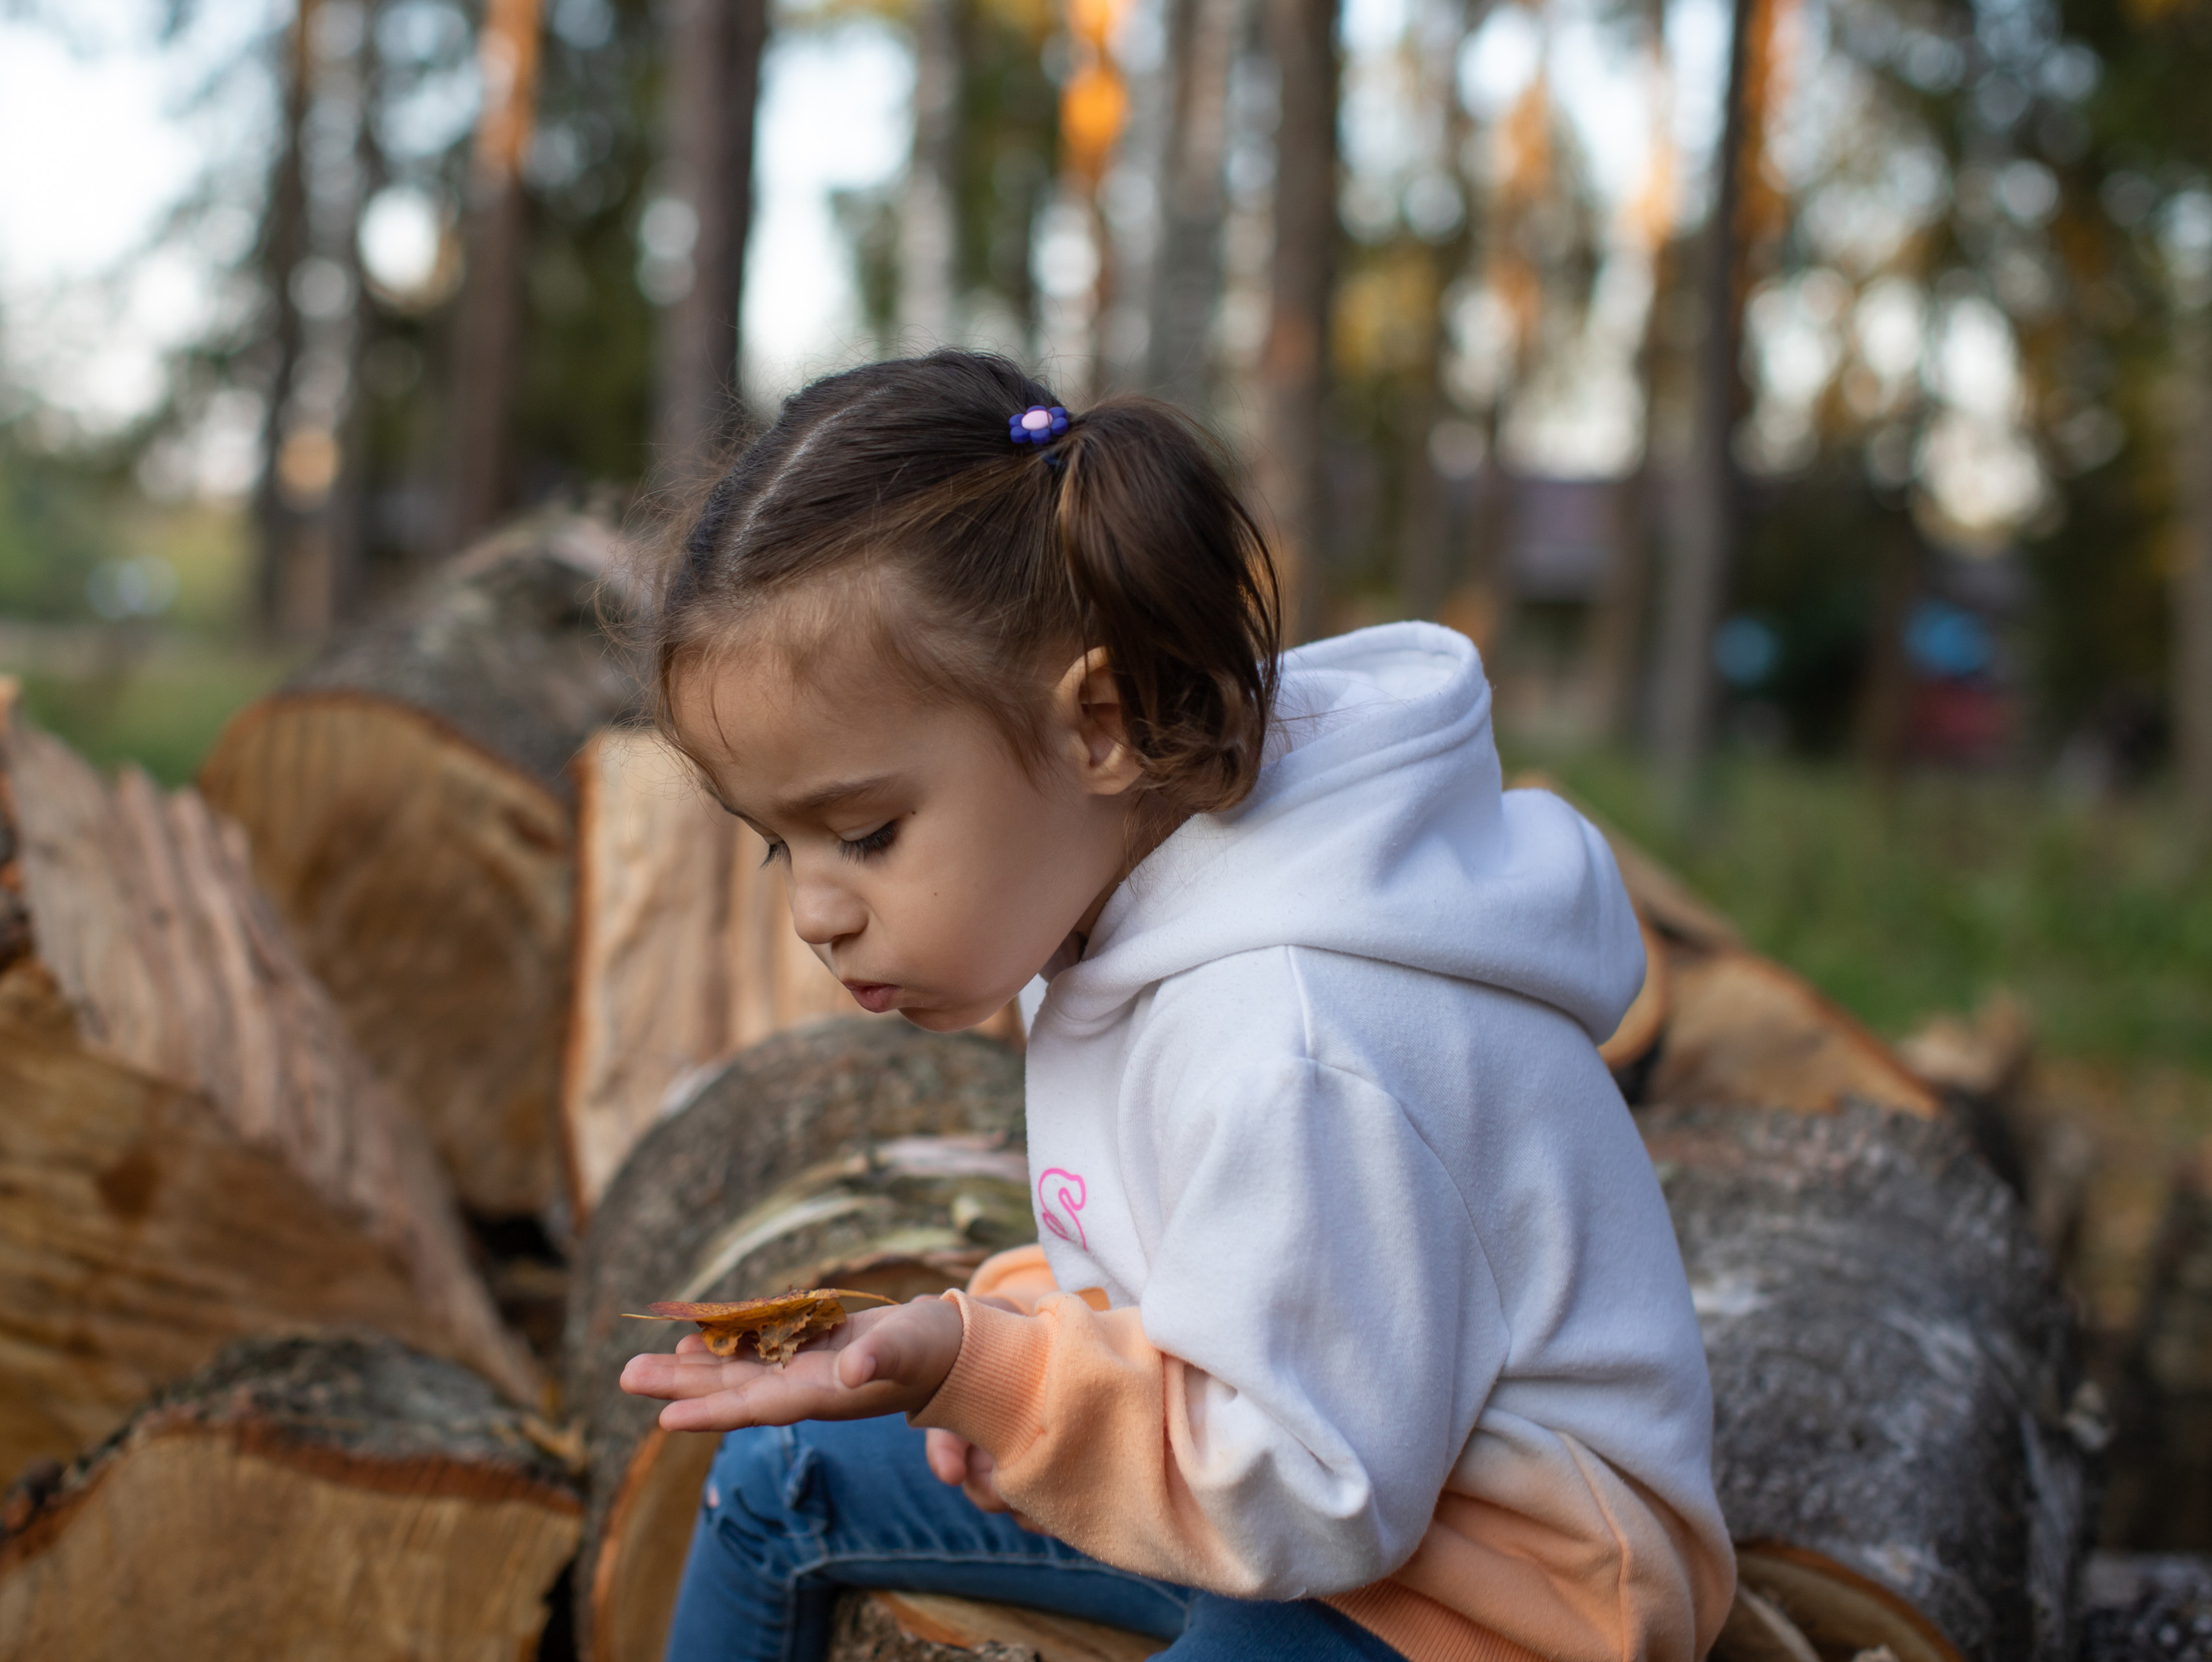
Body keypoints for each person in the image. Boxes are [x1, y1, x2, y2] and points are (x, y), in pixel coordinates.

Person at [620, 350, 1734, 1662]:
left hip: (1496, 1587)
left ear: (1096, 721)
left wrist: (992, 1371)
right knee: (779, 1482)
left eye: (863, 832)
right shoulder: (1125, 893)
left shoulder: (1291, 1036)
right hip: (1285, 1490)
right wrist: (1004, 1335)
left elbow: (1318, 1500)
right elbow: (1192, 1282)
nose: (814, 912)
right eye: (777, 846)